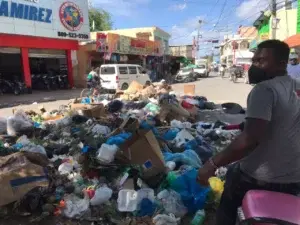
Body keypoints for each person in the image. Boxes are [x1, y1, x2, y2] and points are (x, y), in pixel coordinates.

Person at [197, 40, 300, 225]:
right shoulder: (295, 86)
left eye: (262, 61)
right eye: (255, 60)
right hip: (294, 177)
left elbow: (249, 140)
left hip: (262, 177)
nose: (255, 66)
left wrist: (211, 164)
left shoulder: (264, 89)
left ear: (282, 64)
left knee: (232, 177)